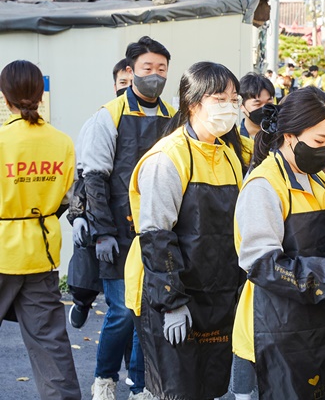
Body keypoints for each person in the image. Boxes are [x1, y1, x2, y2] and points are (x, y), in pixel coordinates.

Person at [125, 61, 248, 400]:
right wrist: (171, 302)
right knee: (175, 390)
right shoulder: (167, 158)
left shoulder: (229, 155)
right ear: (193, 104)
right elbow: (155, 235)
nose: (230, 107)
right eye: (219, 99)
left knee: (209, 387)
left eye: (234, 99)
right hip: (170, 293)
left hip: (216, 294)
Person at [231, 87, 325, 400]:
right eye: (319, 142)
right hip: (273, 333)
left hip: (320, 328)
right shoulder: (264, 186)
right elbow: (262, 265)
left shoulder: (319, 180)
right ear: (289, 136)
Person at [81, 36, 175, 400]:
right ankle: (104, 379)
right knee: (121, 311)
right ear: (130, 71)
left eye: (161, 69)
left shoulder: (171, 117)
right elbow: (94, 177)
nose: (155, 75)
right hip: (118, 232)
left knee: (146, 313)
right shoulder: (109, 115)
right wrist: (102, 232)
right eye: (147, 68)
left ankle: (141, 385)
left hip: (156, 231)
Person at [0, 59, 81, 399]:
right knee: (50, 344)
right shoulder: (61, 142)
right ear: (40, 95)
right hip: (41, 254)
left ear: (5, 98)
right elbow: (67, 197)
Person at [67, 58, 133, 330]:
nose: (128, 88)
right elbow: (85, 175)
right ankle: (82, 301)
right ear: (114, 85)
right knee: (86, 263)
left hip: (126, 211)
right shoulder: (101, 119)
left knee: (125, 305)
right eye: (122, 83)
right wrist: (77, 214)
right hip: (96, 204)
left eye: (131, 82)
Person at [239, 72, 275, 139]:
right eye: (257, 104)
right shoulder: (234, 140)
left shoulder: (284, 137)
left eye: (269, 103)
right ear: (241, 106)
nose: (265, 108)